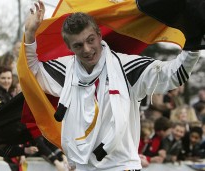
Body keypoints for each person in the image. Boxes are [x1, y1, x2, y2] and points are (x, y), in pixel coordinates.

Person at [22, 1, 200, 170]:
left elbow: (175, 75)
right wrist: (30, 34)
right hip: (80, 166)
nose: (86, 49)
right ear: (69, 47)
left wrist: (193, 40)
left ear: (99, 35)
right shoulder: (66, 69)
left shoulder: (126, 67)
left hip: (121, 166)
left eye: (90, 40)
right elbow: (33, 73)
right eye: (78, 45)